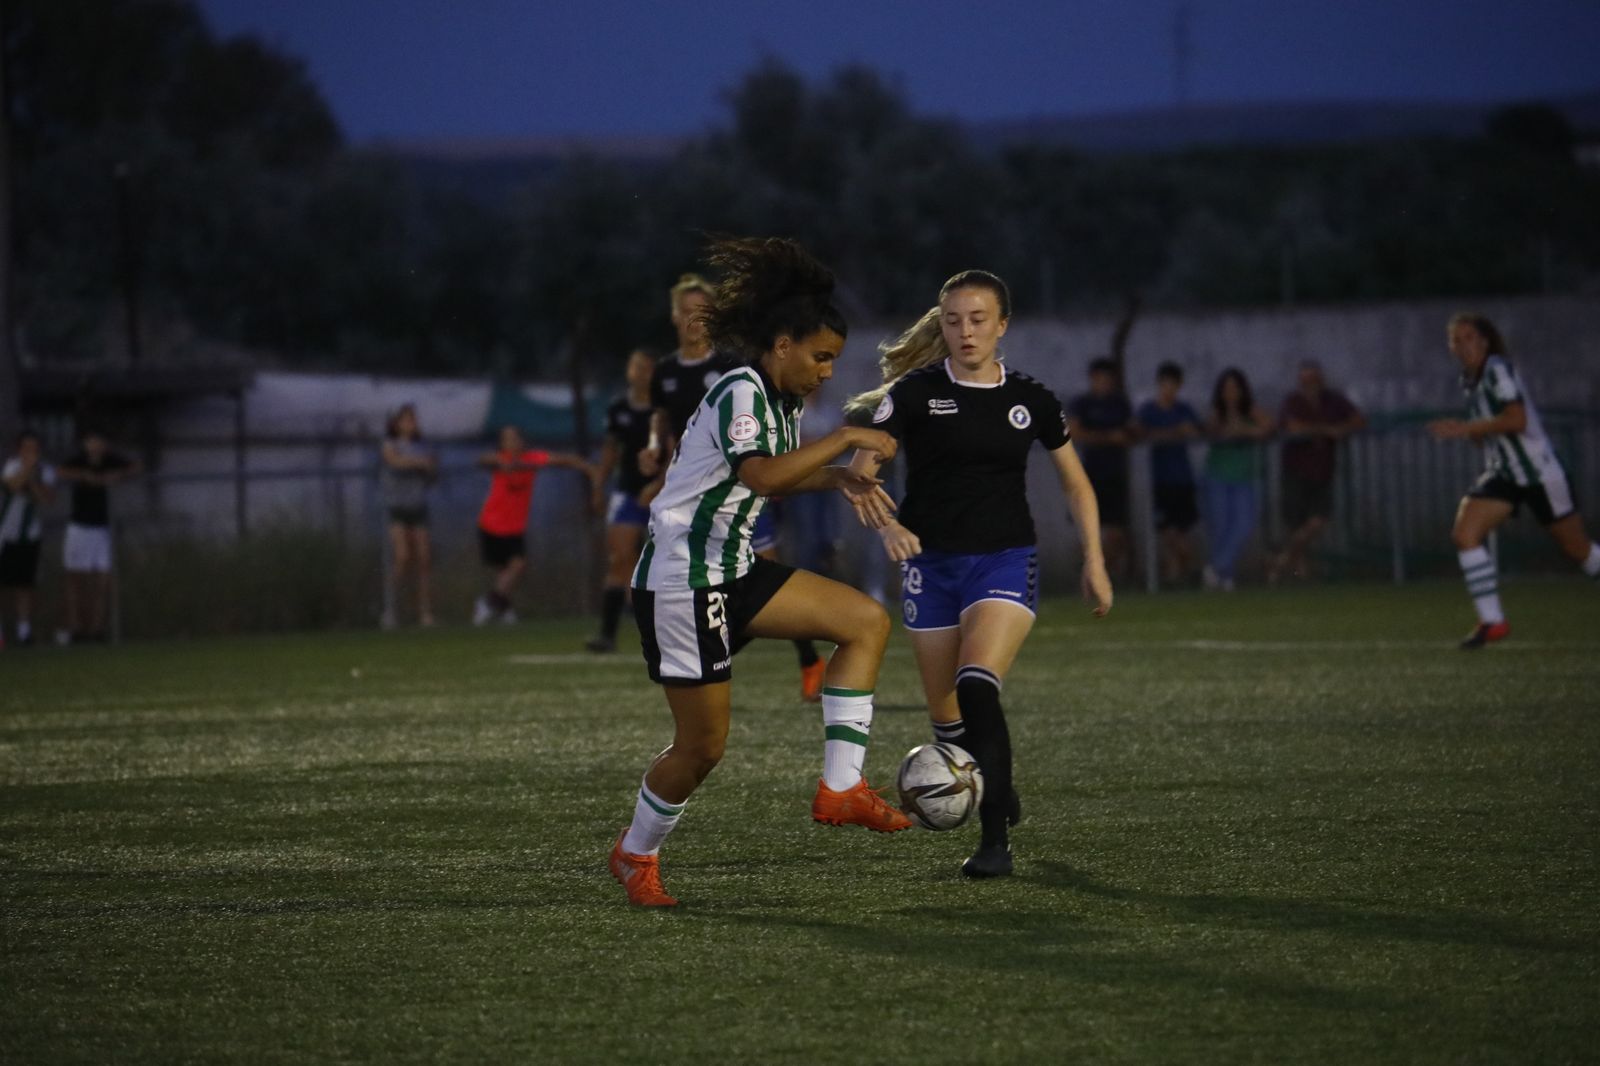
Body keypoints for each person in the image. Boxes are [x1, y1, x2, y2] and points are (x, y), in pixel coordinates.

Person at [610, 236, 911, 908]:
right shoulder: (739, 391)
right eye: (821, 356)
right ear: (782, 345)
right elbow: (761, 473)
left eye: (834, 358)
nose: (829, 371)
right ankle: (635, 853)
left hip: (735, 571)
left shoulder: (784, 399)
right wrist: (846, 441)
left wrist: (837, 477)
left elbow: (766, 482)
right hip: (682, 584)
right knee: (703, 749)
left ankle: (841, 788)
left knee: (864, 622)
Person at [845, 269, 1113, 879]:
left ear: (1002, 326)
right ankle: (999, 779)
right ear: (941, 326)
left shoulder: (1031, 399)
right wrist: (888, 526)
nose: (965, 332)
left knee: (976, 684)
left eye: (977, 320)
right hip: (930, 567)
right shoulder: (912, 395)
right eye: (953, 320)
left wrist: (1094, 561)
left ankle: (995, 842)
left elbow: (1076, 483)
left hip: (1004, 559)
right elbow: (861, 473)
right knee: (949, 725)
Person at [640, 273, 825, 699]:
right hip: (692, 498)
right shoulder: (666, 371)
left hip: (738, 492)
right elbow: (662, 421)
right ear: (674, 316)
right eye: (686, 311)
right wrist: (653, 450)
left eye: (702, 311)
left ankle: (806, 657)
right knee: (726, 587)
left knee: (761, 575)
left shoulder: (730, 369)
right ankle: (706, 657)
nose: (694, 319)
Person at [1426, 312, 1600, 649]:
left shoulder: (1497, 369)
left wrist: (1466, 429)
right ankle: (1493, 621)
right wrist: (1473, 433)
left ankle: (1493, 620)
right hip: (1504, 473)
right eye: (1456, 340)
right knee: (1464, 534)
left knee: (1577, 548)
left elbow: (1516, 419)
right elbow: (1489, 427)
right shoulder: (1468, 380)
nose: (1463, 346)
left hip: (1538, 472)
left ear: (1485, 341)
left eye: (1469, 338)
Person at [473, 425, 594, 625]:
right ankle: (501, 606)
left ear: (522, 441)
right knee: (505, 572)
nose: (510, 443)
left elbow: (559, 460)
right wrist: (501, 463)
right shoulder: (499, 459)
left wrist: (584, 465)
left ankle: (491, 603)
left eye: (514, 438)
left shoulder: (531, 459)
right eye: (506, 439)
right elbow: (483, 460)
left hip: (515, 527)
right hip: (492, 524)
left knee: (517, 566)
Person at [586, 348, 658, 652]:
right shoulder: (618, 408)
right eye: (634, 366)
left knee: (669, 563)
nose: (639, 372)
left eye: (645, 367)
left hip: (662, 493)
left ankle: (667, 633)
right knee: (619, 558)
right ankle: (608, 634)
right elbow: (610, 451)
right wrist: (598, 487)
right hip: (628, 492)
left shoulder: (663, 409)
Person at [1268, 360, 1366, 581]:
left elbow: (1359, 420)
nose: (1310, 384)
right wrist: (1326, 430)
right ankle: (1300, 574)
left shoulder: (1333, 400)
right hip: (1295, 470)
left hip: (1322, 470)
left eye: (1314, 379)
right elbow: (1291, 425)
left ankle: (1281, 560)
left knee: (1318, 519)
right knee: (1295, 522)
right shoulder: (1293, 401)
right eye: (1306, 379)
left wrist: (1340, 429)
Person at [56, 429, 140, 644]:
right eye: (92, 441)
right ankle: (76, 629)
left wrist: (115, 476)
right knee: (76, 579)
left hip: (102, 528)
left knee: (101, 580)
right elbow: (61, 471)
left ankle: (96, 630)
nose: (96, 446)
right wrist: (84, 476)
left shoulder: (111, 461)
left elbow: (135, 467)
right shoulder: (79, 461)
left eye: (99, 441)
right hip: (79, 526)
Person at [1201, 369, 1273, 591]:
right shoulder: (1216, 412)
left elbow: (1268, 427)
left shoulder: (1250, 410)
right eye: (1227, 388)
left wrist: (1244, 430)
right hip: (1217, 475)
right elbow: (1209, 430)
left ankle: (1217, 566)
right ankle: (1225, 576)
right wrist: (1228, 430)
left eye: (1235, 388)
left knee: (1243, 524)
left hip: (1244, 475)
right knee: (1220, 527)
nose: (1231, 393)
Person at [1067, 358, 1135, 579]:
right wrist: (1107, 437)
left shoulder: (1119, 404)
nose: (1104, 383)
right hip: (1089, 475)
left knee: (1116, 534)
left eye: (1108, 379)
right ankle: (1089, 574)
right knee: (1088, 532)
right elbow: (1074, 432)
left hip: (1115, 475)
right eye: (1100, 378)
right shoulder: (1082, 404)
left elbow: (1131, 432)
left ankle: (1104, 574)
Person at [1136, 361, 1203, 585]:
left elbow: (1197, 431)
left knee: (1181, 532)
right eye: (1165, 384)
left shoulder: (1183, 410)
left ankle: (1180, 576)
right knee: (1167, 532)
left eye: (1173, 384)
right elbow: (1137, 432)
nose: (1169, 389)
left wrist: (1178, 433)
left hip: (1182, 479)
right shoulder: (1149, 410)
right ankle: (1185, 573)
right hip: (1159, 480)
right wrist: (1172, 433)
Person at [379, 404, 437, 629]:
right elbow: (393, 460)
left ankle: (425, 612)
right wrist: (417, 462)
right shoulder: (390, 444)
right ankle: (390, 608)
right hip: (397, 508)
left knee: (423, 560)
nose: (410, 424)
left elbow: (431, 474)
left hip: (418, 507)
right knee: (402, 557)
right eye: (405, 420)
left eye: (412, 420)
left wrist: (429, 468)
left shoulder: (422, 447)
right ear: (396, 423)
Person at [0, 431, 58, 648]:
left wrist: (33, 480)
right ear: (19, 449)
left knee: (25, 584)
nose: (31, 452)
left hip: (30, 534)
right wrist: (27, 472)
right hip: (5, 533)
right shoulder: (12, 465)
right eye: (27, 448)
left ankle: (24, 632)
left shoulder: (46, 470)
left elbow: (47, 498)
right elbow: (12, 486)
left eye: (34, 448)